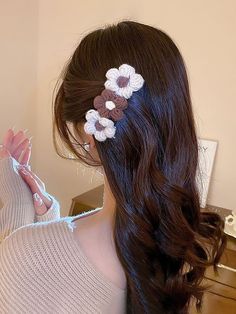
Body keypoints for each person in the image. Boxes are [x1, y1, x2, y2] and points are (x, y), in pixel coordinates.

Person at [0, 20, 227, 314]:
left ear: (90, 132)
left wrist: (15, 209)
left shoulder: (25, 254)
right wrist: (46, 221)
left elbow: (38, 280)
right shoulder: (176, 237)